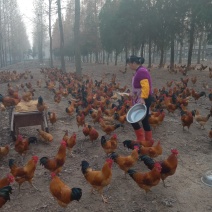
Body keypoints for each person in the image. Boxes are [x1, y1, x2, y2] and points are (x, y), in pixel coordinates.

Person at [126, 55, 153, 146]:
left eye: (129, 64)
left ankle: (145, 140)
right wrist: (133, 93)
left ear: (134, 63)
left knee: (136, 119)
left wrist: (142, 98)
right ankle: (143, 139)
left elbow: (145, 87)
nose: (129, 66)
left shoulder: (141, 72)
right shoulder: (139, 71)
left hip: (144, 98)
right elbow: (139, 86)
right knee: (143, 120)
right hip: (141, 97)